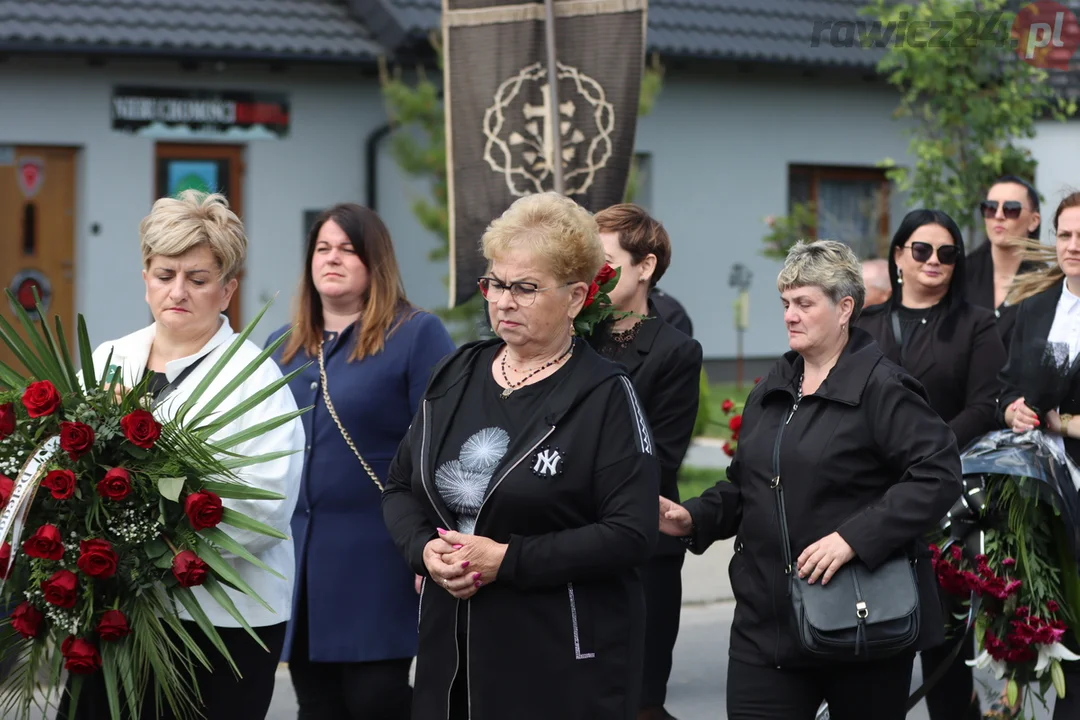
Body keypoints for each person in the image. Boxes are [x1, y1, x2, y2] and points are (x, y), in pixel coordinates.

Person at [381, 192, 661, 720]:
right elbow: (399, 488)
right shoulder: (456, 373)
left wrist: (508, 561)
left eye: (526, 288)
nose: (503, 301)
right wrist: (422, 551)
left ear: (577, 297)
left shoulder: (605, 394)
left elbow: (633, 532)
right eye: (496, 284)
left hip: (557, 663)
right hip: (451, 654)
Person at [658, 240, 962, 720]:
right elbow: (745, 486)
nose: (790, 316)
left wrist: (852, 539)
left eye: (804, 303)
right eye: (785, 304)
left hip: (861, 625)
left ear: (844, 308)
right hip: (767, 628)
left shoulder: (883, 388)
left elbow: (939, 474)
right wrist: (692, 516)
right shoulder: (774, 387)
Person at [65, 190, 305, 719]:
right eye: (164, 274)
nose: (178, 291)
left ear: (228, 289)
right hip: (115, 610)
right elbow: (68, 463)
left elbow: (263, 508)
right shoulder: (109, 358)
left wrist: (149, 554)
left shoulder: (256, 379)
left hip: (217, 621)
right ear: (145, 277)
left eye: (197, 279)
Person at [268, 204, 455, 719]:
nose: (333, 259)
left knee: (378, 698)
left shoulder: (416, 334)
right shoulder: (280, 349)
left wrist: (434, 541)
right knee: (318, 703)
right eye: (323, 249)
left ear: (376, 261)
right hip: (303, 558)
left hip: (382, 550)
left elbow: (442, 444)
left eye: (348, 249)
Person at [855, 210, 1006, 720]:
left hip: (946, 501)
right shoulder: (864, 323)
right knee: (877, 642)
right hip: (869, 494)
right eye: (921, 250)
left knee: (945, 646)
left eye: (946, 253)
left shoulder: (978, 323)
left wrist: (928, 452)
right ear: (899, 255)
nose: (934, 261)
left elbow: (984, 405)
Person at [589, 204, 703, 720]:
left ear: (646, 267)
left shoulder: (675, 350)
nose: (594, 272)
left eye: (606, 260)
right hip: (567, 541)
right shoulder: (572, 335)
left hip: (642, 545)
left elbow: (659, 455)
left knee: (638, 699)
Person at [1000, 191, 1080, 720]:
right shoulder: (1035, 308)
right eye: (1066, 234)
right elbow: (1004, 386)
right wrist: (1012, 411)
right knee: (1058, 630)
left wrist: (1065, 422)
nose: (1073, 246)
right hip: (1041, 492)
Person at [966, 175, 1044, 348]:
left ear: (1033, 221)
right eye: (990, 207)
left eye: (1011, 208)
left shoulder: (1046, 283)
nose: (998, 215)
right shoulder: (961, 273)